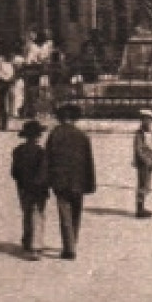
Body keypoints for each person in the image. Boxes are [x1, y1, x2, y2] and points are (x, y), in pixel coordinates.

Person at [43, 102, 96, 260]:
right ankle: (73, 242)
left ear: (60, 118)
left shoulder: (55, 134)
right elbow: (88, 162)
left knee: (64, 213)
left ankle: (69, 247)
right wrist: (90, 183)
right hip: (78, 181)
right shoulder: (82, 136)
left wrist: (45, 180)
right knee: (76, 213)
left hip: (60, 181)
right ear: (74, 118)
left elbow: (48, 159)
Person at [10, 120, 50, 259]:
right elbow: (44, 172)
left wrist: (22, 181)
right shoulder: (41, 152)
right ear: (38, 136)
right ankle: (36, 246)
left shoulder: (18, 150)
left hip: (23, 187)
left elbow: (14, 172)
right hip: (39, 188)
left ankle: (27, 240)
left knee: (26, 213)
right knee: (38, 214)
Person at [132, 110, 152, 218]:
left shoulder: (150, 133)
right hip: (143, 163)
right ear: (142, 120)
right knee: (142, 185)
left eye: (150, 120)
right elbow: (138, 149)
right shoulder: (140, 133)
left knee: (147, 185)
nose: (148, 122)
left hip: (150, 162)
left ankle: (142, 206)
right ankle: (139, 209)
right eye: (146, 119)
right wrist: (145, 160)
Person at [0, 51, 17, 131]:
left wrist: (13, 78)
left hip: (10, 82)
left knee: (11, 99)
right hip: (2, 82)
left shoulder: (14, 60)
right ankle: (3, 123)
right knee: (2, 102)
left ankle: (9, 119)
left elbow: (16, 70)